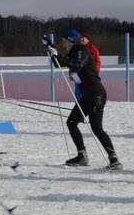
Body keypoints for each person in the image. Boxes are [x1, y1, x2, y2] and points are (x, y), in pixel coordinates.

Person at [46, 30, 120, 170]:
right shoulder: (74, 51)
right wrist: (51, 49)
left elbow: (76, 64)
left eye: (64, 40)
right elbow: (60, 63)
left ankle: (114, 158)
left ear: (72, 40)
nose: (63, 43)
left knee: (96, 127)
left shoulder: (82, 50)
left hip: (96, 94)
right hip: (87, 95)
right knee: (72, 122)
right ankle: (82, 156)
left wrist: (58, 56)